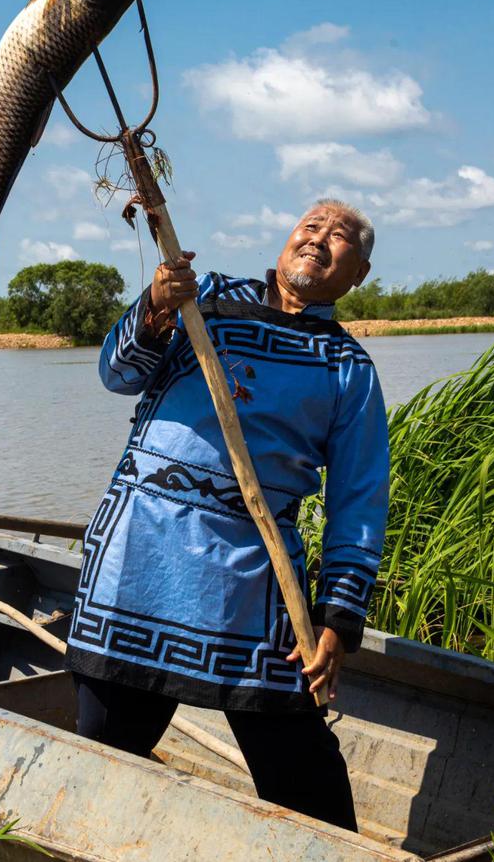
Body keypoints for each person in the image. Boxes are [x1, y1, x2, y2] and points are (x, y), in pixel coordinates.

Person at [65, 198, 389, 831]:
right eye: (311, 225)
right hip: (139, 568)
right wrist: (156, 306)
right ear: (287, 238)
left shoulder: (349, 369)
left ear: (361, 274)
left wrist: (337, 620)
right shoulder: (201, 297)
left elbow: (359, 502)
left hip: (252, 582)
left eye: (342, 237)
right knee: (98, 761)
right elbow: (115, 372)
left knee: (311, 794)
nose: (320, 239)